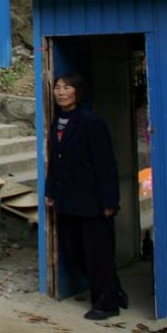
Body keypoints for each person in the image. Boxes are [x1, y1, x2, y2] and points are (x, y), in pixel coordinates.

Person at [44, 73, 127, 320]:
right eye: (58, 87)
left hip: (92, 200)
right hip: (67, 199)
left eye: (67, 87)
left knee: (97, 254)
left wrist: (110, 201)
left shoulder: (92, 123)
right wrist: (51, 192)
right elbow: (55, 162)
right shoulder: (57, 121)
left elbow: (106, 165)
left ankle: (107, 304)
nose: (61, 92)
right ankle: (114, 290)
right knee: (72, 248)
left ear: (77, 92)